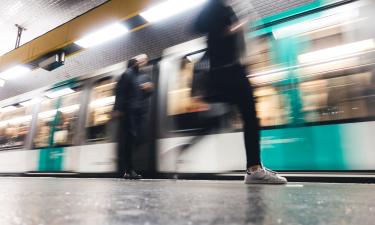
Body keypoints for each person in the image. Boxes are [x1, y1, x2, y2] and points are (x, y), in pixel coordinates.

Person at [194, 0, 287, 184]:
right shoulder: (215, 5)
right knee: (250, 116)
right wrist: (232, 28)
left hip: (231, 70)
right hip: (227, 70)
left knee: (237, 116)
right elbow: (198, 26)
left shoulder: (225, 7)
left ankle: (254, 167)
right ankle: (254, 169)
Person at [113, 54, 154, 179]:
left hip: (139, 114)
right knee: (129, 141)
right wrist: (118, 109)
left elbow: (148, 94)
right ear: (135, 61)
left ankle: (128, 168)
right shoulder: (128, 74)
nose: (144, 61)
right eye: (142, 59)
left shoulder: (143, 76)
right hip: (129, 114)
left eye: (146, 59)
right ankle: (128, 170)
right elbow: (120, 92)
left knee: (138, 139)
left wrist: (149, 89)